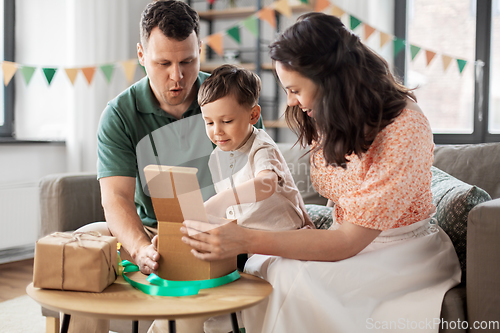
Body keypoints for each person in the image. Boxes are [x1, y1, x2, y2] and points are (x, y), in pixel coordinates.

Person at [181, 12, 461, 333]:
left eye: (295, 89)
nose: (291, 101)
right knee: (266, 267)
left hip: (401, 253)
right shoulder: (334, 112)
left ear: (328, 77)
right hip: (349, 239)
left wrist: (243, 238)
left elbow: (347, 241)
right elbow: (346, 193)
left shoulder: (404, 128)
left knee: (289, 279)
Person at [75, 1, 264, 333]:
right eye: (163, 63)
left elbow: (258, 170)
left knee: (182, 289)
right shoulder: (119, 114)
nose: (177, 76)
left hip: (214, 235)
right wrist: (140, 249)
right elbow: (116, 198)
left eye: (188, 61)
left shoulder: (226, 99)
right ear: (141, 54)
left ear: (200, 52)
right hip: (152, 234)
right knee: (83, 244)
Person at [200, 64, 312, 231]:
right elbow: (233, 212)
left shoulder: (261, 147)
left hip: (285, 235)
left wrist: (222, 199)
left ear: (253, 115)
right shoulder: (216, 157)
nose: (217, 131)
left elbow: (266, 183)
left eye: (227, 121)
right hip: (249, 242)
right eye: (209, 122)